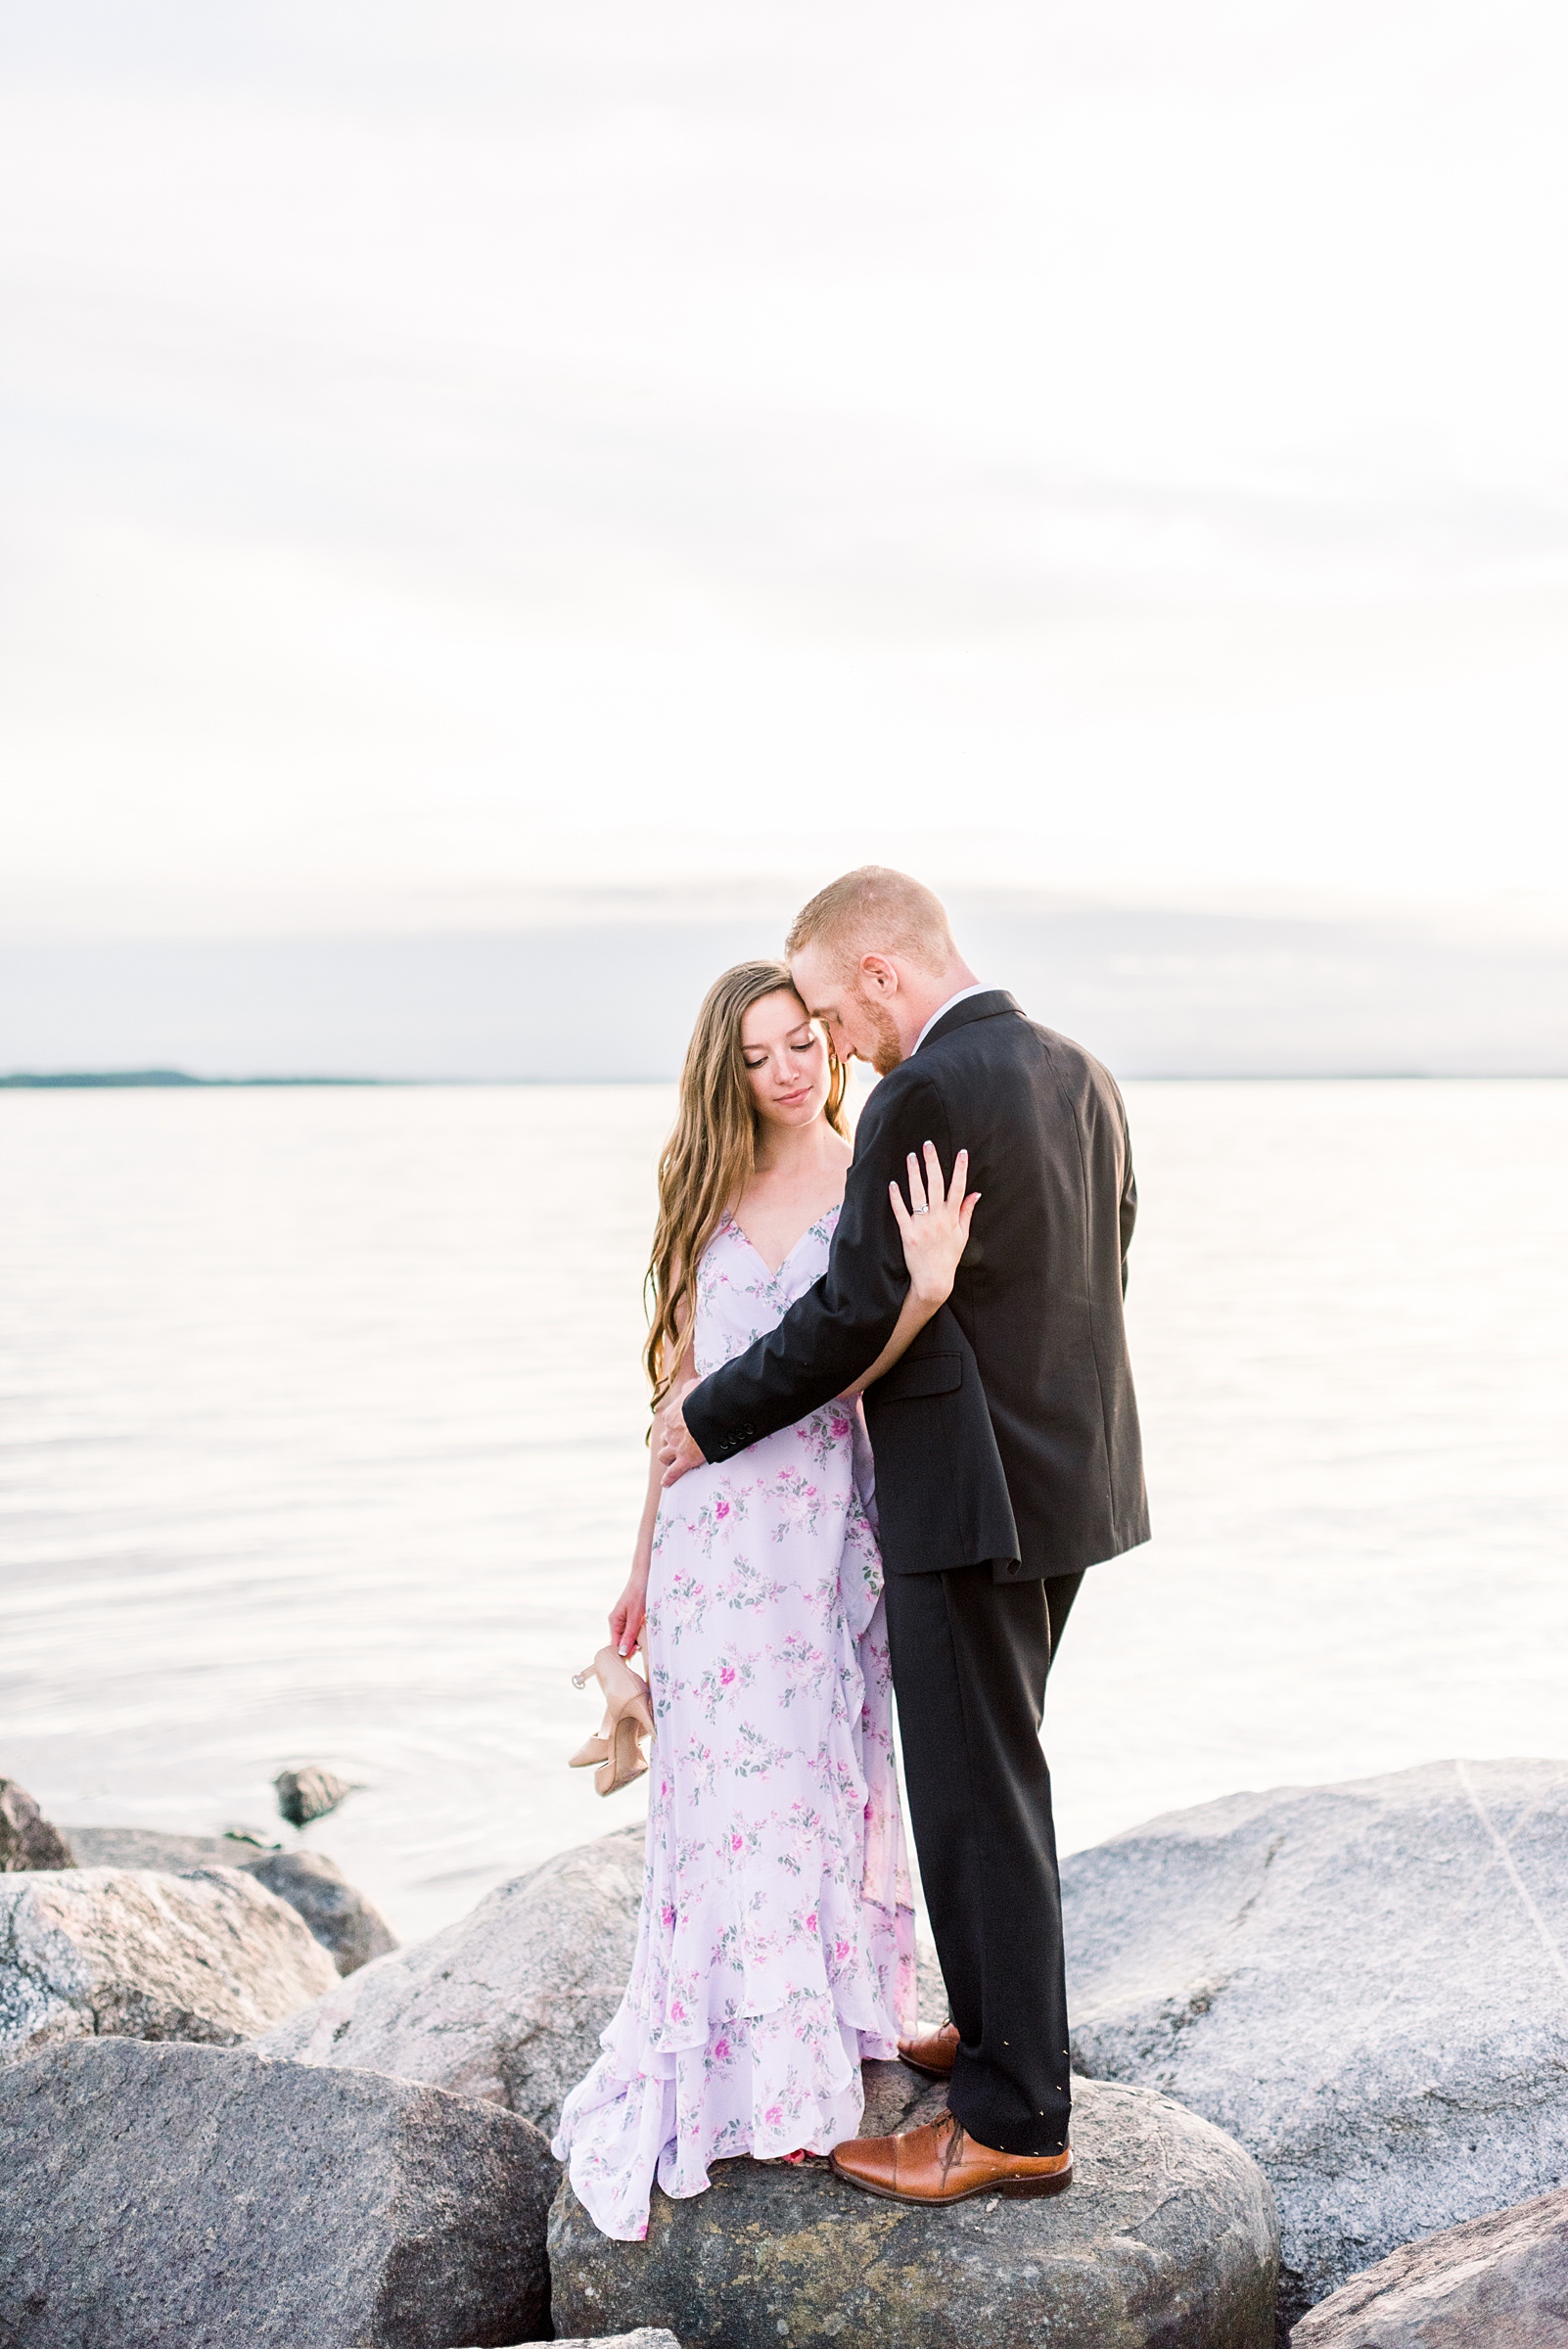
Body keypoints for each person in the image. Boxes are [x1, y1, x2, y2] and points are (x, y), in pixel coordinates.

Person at [661, 868, 1148, 2207]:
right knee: (994, 1777)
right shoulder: (1078, 1071)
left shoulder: (921, 1092)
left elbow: (855, 1305)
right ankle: (991, 2043)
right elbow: (1105, 1253)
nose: (836, 1040)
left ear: (879, 975)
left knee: (977, 1801)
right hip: (1070, 1485)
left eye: (829, 1006)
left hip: (964, 1499)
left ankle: (1013, 2120)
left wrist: (707, 1416)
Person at [553, 957, 979, 2240]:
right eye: (758, 1055)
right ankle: (742, 2076)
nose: (789, 1070)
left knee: (828, 1781)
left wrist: (930, 1289)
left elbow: (854, 1359)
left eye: (802, 1042)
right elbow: (675, 1409)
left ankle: (832, 2033)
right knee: (730, 1804)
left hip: (827, 1534)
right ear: (722, 1072)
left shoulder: (867, 1170)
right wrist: (633, 1572)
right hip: (713, 1547)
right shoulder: (700, 1192)